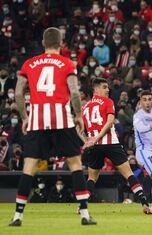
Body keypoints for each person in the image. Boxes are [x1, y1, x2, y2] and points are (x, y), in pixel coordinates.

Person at [9, 27, 96, 226]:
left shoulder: (29, 63)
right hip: (61, 118)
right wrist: (79, 115)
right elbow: (74, 93)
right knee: (75, 164)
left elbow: (19, 93)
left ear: (43, 43)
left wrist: (24, 117)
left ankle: (17, 216)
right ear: (61, 44)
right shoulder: (67, 63)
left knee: (29, 167)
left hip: (37, 118)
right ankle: (84, 214)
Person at [81, 78, 152, 214]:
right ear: (96, 89)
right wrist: (97, 138)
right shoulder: (108, 102)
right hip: (110, 143)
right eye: (104, 87)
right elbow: (109, 123)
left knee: (92, 178)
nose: (107, 89)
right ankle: (145, 203)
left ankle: (82, 206)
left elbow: (80, 129)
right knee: (128, 174)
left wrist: (88, 140)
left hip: (94, 146)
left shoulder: (85, 107)